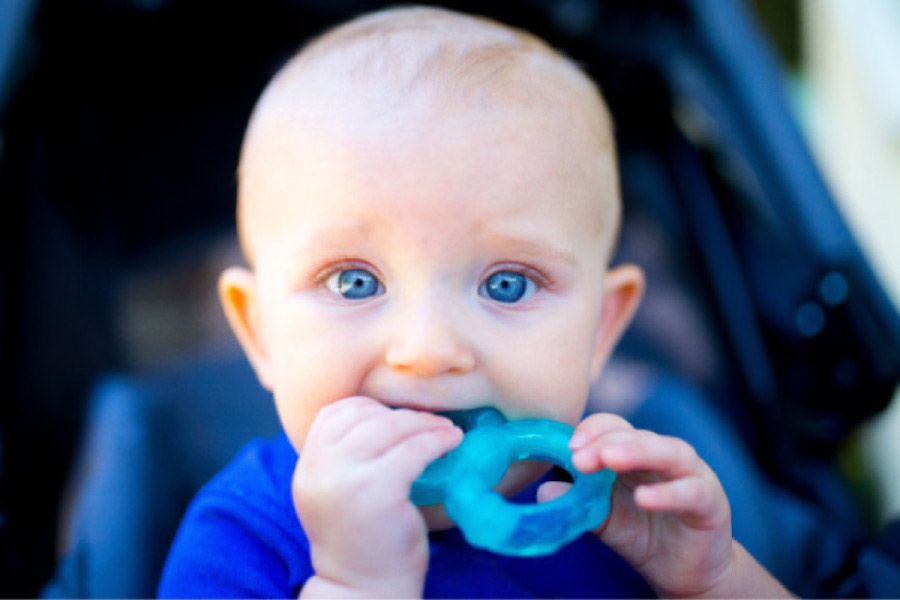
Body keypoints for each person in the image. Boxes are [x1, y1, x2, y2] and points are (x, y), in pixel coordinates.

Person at [158, 6, 792, 598]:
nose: (429, 351)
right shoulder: (244, 538)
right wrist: (355, 584)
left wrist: (714, 580)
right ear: (261, 331)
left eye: (507, 284)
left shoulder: (637, 511)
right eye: (354, 280)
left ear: (601, 328)